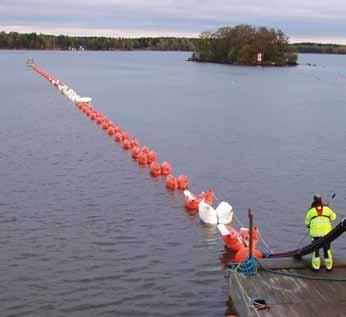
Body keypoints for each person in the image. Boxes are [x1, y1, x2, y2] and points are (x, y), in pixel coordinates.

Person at [305, 194, 336, 271]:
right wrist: (328, 213)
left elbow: (307, 223)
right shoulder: (327, 209)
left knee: (315, 250)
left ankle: (316, 267)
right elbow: (334, 218)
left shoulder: (310, 211)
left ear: (314, 200)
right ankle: (329, 267)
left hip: (315, 234)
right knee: (327, 249)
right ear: (321, 200)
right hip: (327, 234)